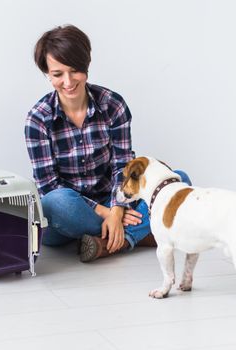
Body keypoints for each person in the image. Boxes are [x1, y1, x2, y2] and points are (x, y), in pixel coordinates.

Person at [24, 24, 191, 262]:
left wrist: (117, 206)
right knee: (56, 203)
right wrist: (109, 214)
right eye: (58, 74)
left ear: (86, 67)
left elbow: (121, 165)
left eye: (74, 71)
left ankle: (109, 243)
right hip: (67, 214)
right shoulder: (38, 119)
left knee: (178, 179)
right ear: (48, 74)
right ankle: (136, 234)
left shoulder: (113, 105)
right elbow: (49, 186)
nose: (68, 82)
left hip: (113, 198)